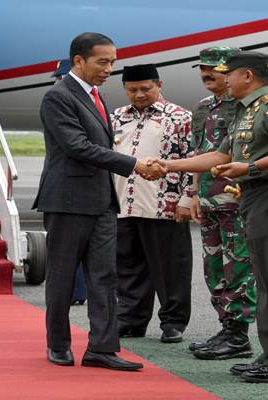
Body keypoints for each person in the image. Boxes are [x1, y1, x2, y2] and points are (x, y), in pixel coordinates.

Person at [162, 50, 268, 384]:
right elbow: (219, 154)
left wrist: (252, 167)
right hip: (257, 197)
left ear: (247, 75)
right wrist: (168, 167)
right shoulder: (249, 110)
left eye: (229, 73)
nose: (223, 78)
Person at [34, 32, 164, 371]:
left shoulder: (96, 95)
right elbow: (76, 146)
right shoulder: (58, 96)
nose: (109, 69)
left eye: (112, 62)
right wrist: (135, 164)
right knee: (62, 277)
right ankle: (59, 344)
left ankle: (102, 348)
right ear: (79, 61)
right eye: (102, 62)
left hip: (102, 201)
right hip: (67, 201)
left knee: (105, 277)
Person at [111, 64, 194, 343]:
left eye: (145, 88)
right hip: (124, 203)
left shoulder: (180, 117)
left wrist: (188, 197)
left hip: (164, 204)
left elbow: (193, 159)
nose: (139, 95)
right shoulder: (116, 117)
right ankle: (131, 319)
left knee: (171, 268)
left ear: (159, 85)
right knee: (128, 266)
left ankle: (173, 322)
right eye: (132, 90)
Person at [187, 47, 257, 360]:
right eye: (203, 67)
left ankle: (239, 334)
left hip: (236, 200)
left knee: (238, 267)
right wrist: (192, 193)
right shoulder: (202, 108)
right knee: (214, 268)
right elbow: (197, 154)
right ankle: (226, 326)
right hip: (208, 199)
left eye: (214, 68)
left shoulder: (246, 106)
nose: (207, 73)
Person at [51, 58, 88, 306]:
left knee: (73, 248)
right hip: (69, 184)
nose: (57, 81)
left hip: (80, 186)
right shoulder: (59, 99)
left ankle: (77, 292)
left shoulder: (79, 104)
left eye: (61, 76)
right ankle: (77, 292)